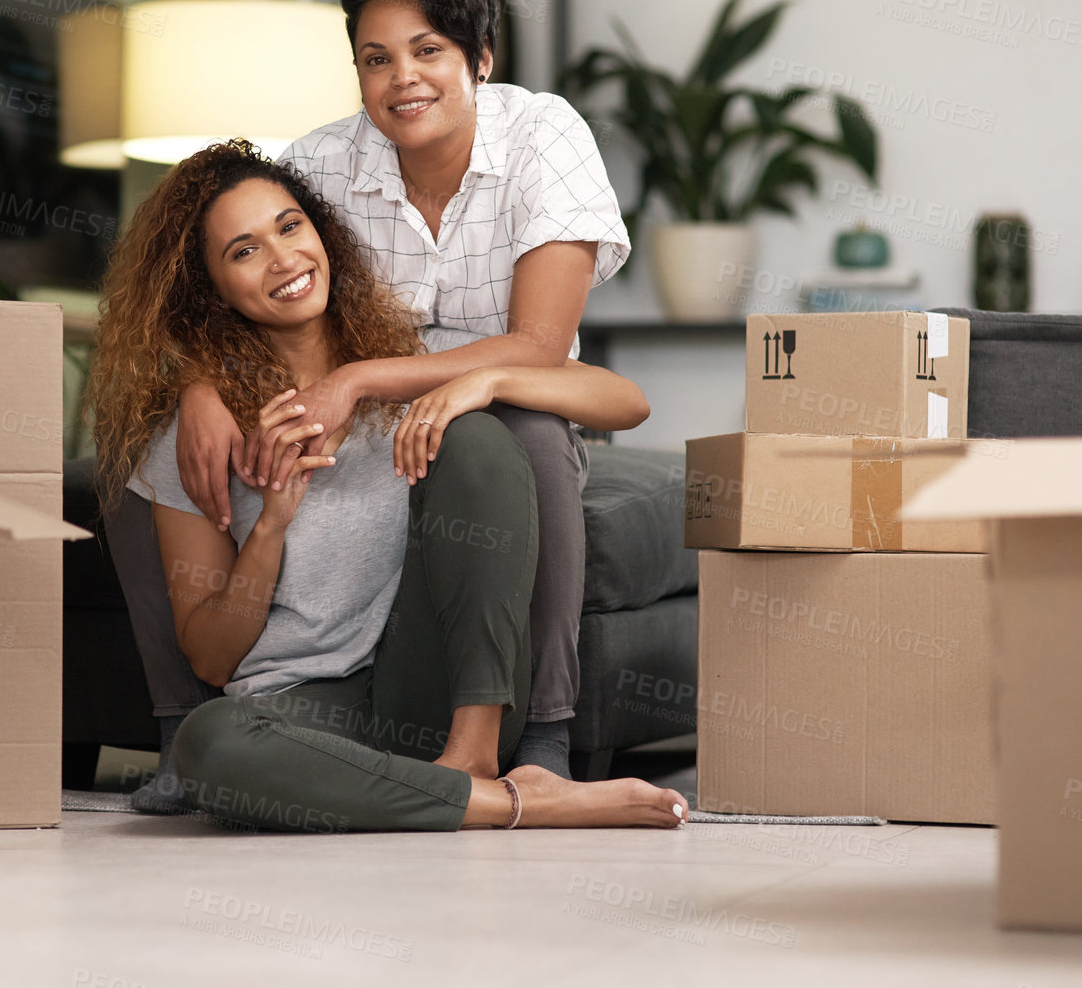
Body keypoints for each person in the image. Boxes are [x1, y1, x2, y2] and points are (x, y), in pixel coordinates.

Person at [88, 140, 684, 832]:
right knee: (208, 744)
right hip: (308, 704)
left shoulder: (408, 359)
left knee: (476, 431)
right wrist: (272, 523)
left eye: (289, 226)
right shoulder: (196, 436)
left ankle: (473, 758)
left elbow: (625, 400)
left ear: (321, 232)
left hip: (434, 686)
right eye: (243, 250)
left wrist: (483, 378)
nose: (283, 259)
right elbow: (211, 656)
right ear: (209, 288)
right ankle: (511, 802)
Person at [161, 0, 626, 787]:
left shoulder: (542, 134)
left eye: (428, 51)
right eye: (376, 60)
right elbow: (245, 273)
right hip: (385, 428)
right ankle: (178, 731)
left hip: (513, 393)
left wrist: (360, 380)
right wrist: (198, 383)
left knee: (518, 429)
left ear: (480, 57)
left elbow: (539, 347)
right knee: (159, 448)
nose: (401, 78)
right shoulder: (322, 166)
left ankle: (546, 736)